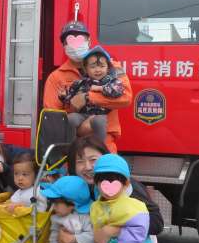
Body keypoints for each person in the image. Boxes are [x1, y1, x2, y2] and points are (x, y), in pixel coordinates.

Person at [42, 21, 132, 152]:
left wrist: (88, 97)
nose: (75, 45)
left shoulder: (113, 67)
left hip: (105, 142)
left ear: (89, 41)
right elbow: (53, 117)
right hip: (72, 145)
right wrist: (80, 125)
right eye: (70, 41)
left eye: (80, 39)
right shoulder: (55, 77)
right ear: (64, 45)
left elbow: (126, 98)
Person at [62, 45, 125, 144]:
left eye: (102, 66)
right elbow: (70, 98)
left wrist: (101, 88)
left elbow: (118, 90)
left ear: (108, 68)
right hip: (83, 114)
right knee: (71, 118)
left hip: (100, 115)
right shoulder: (80, 83)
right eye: (93, 67)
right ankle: (71, 147)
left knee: (99, 122)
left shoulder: (111, 81)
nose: (97, 70)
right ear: (86, 69)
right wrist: (63, 96)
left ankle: (100, 147)